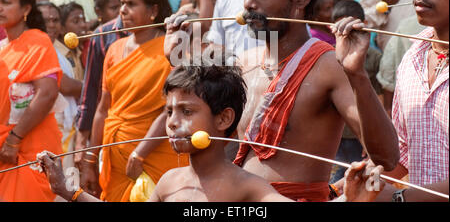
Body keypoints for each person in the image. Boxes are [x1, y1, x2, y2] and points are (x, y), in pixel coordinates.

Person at [165, 0, 399, 202]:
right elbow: (213, 140)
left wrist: (356, 75)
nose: (249, 4)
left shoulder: (328, 66)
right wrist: (177, 58)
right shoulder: (244, 63)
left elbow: (387, 157)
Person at [38, 64, 385, 203]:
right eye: (169, 112)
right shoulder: (169, 182)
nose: (173, 123)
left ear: (224, 119)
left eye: (188, 112)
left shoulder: (245, 186)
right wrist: (69, 192)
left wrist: (349, 199)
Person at [332, 0, 449, 202]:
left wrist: (399, 199)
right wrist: (346, 190)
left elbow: (398, 194)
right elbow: (402, 156)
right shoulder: (412, 57)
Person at [80, 0, 187, 202]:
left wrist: (141, 153)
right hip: (116, 158)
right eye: (121, 4)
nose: (123, 11)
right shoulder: (114, 48)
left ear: (153, 9)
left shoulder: (171, 49)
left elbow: (170, 110)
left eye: (131, 4)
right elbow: (103, 109)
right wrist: (90, 158)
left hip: (155, 155)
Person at [75, 0, 153, 165]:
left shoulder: (168, 38)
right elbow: (92, 92)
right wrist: (84, 145)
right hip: (114, 137)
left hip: (154, 138)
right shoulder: (103, 36)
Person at [0, 0, 62, 201]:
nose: (0, 8)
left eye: (6, 2)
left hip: (29, 146)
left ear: (26, 8)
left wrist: (14, 139)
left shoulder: (37, 41)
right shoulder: (3, 48)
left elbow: (47, 94)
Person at [329, 0, 382, 184]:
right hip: (337, 133)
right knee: (335, 181)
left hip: (361, 133)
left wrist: (371, 138)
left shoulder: (374, 57)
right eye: (342, 29)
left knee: (361, 179)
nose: (348, 34)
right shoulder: (328, 57)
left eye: (353, 28)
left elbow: (378, 94)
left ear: (363, 26)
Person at [37, 1, 82, 171]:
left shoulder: (55, 50)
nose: (51, 25)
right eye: (45, 20)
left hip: (65, 129)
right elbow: (64, 86)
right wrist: (92, 88)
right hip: (47, 129)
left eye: (55, 20)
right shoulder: (37, 49)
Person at [54, 1, 88, 82]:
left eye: (84, 20)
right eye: (76, 21)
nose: (83, 25)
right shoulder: (55, 54)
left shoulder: (80, 49)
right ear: (61, 29)